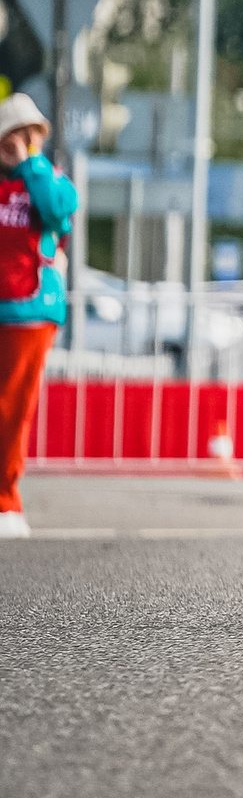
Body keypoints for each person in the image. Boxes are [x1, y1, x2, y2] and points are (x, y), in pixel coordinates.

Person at [0, 94, 81, 537]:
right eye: (12, 135)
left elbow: (55, 213)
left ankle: (6, 501)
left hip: (29, 312)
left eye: (29, 136)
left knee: (12, 410)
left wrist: (30, 164)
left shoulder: (52, 180)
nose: (19, 143)